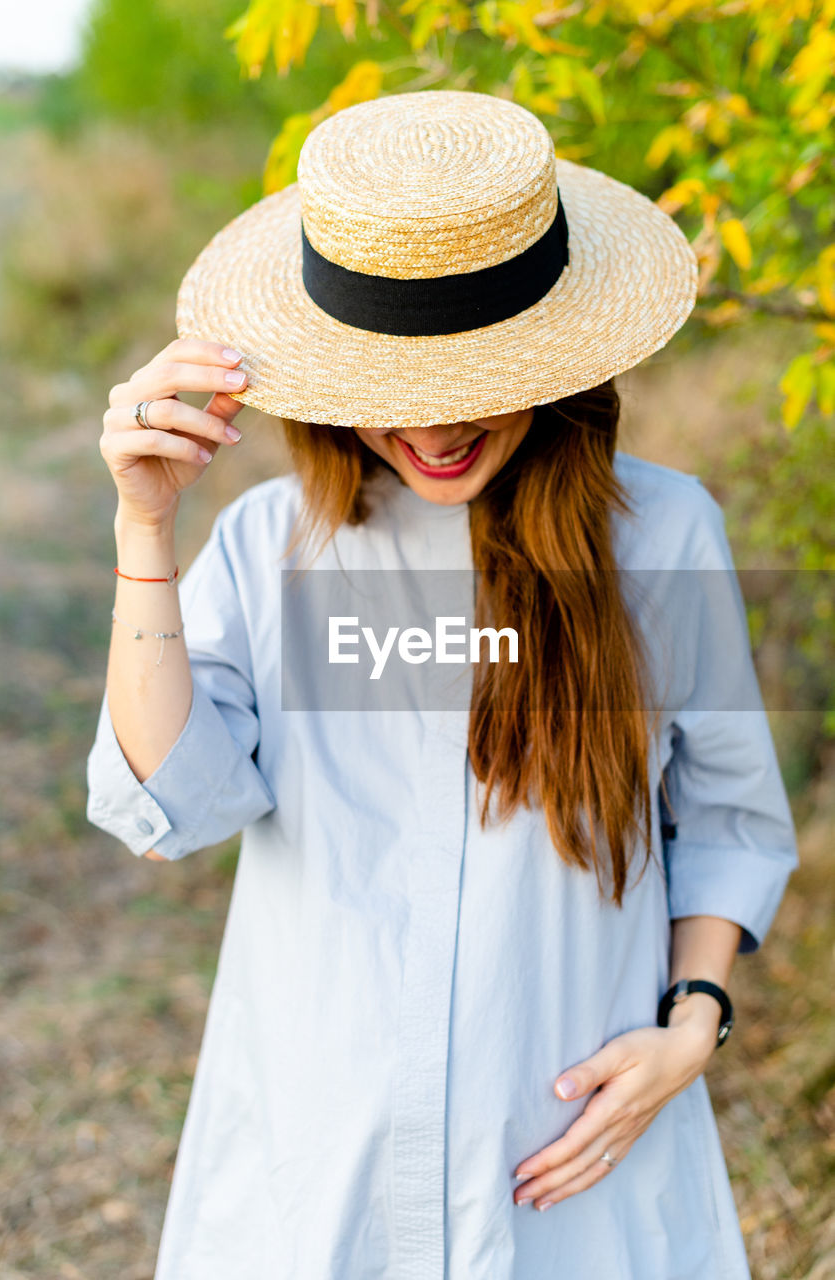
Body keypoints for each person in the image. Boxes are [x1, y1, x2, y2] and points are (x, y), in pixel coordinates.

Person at [86, 90, 799, 1279]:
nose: (436, 422)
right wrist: (144, 529)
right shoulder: (274, 549)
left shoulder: (662, 537)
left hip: (575, 1159)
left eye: (476, 370)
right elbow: (171, 804)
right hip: (323, 1165)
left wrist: (692, 1026)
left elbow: (727, 816)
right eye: (391, 378)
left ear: (557, 355)